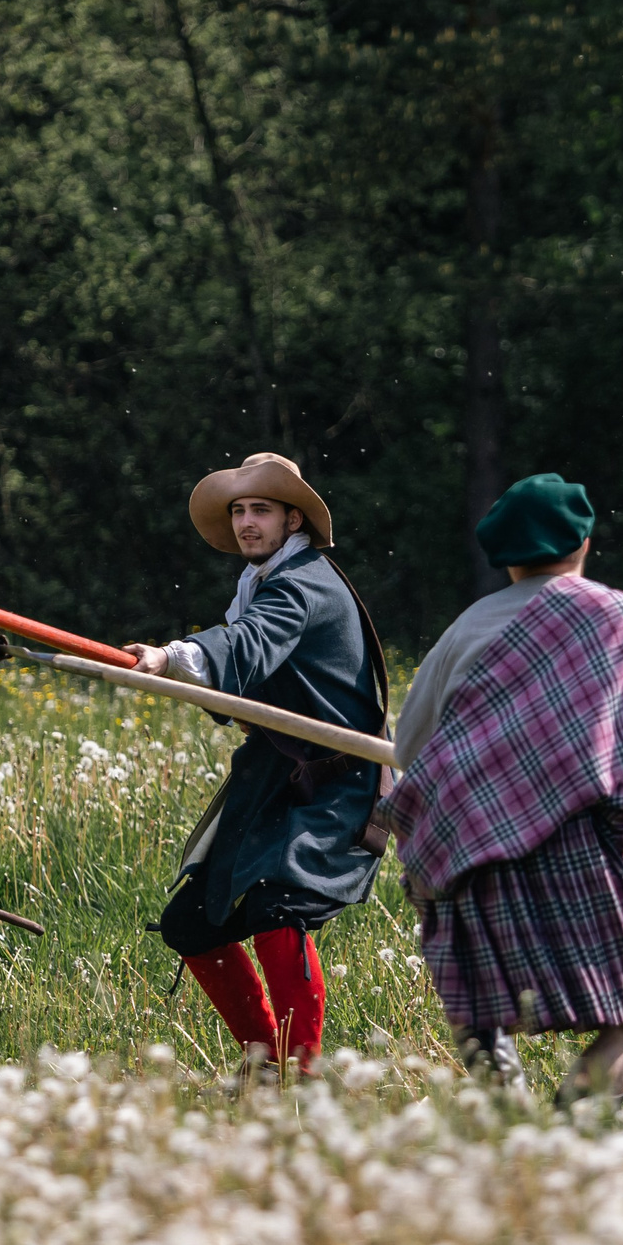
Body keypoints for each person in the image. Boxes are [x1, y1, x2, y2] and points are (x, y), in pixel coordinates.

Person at [377, 474, 623, 1101]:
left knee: (476, 1010)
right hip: (577, 846)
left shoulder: (468, 627)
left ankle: (512, 1117)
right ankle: (572, 1128)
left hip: (459, 847)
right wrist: (621, 826)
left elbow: (409, 748)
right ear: (586, 541)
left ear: (504, 555)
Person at [127, 452, 386, 1072]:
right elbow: (245, 676)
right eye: (239, 510)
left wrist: (170, 657)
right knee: (193, 924)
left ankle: (302, 1074)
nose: (246, 522)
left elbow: (246, 645)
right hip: (275, 773)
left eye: (260, 510)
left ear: (292, 519)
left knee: (279, 905)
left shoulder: (302, 584)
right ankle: (263, 1066)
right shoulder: (264, 581)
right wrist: (177, 670)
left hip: (336, 776)